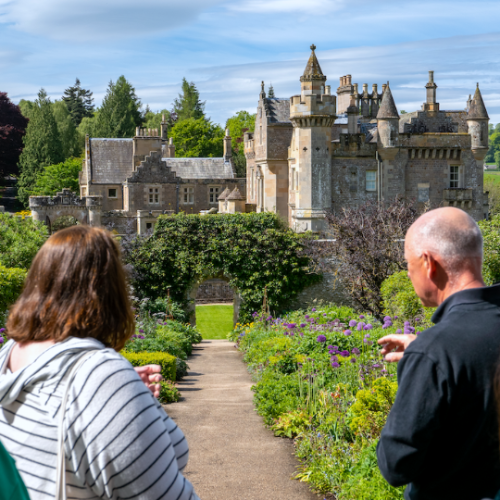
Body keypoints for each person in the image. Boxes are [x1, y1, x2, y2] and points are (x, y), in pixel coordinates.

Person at [0, 225, 200, 500]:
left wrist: (125, 392)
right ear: (111, 290)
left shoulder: (9, 356)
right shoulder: (100, 378)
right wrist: (112, 386)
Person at [376, 207, 500, 500]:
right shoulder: (441, 349)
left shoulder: (434, 352)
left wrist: (430, 357)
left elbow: (396, 465)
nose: (409, 276)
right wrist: (436, 353)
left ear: (429, 263)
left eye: (409, 267)